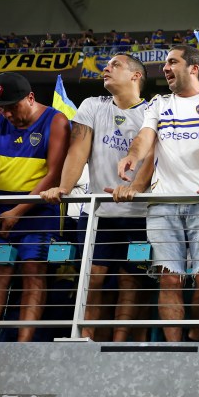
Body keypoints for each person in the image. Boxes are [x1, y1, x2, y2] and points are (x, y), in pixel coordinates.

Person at [110, 44, 199, 343]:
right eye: (165, 63)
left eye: (172, 62)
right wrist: (131, 157)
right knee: (169, 277)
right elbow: (145, 138)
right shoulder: (158, 103)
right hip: (162, 203)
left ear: (193, 68)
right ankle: (175, 348)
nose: (165, 67)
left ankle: (193, 334)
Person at [40, 53, 151, 342]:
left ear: (136, 75)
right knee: (94, 280)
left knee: (131, 282)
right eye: (107, 65)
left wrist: (135, 189)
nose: (106, 68)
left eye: (115, 65)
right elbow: (78, 150)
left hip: (139, 214)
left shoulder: (152, 111)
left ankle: (120, 346)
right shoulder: (91, 105)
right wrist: (64, 187)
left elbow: (153, 161)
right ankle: (84, 342)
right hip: (98, 213)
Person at [0, 72, 70, 342]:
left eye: (13, 106)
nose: (8, 114)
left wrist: (18, 211)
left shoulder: (56, 120)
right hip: (3, 207)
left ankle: (24, 346)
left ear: (31, 97)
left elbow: (54, 174)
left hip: (39, 210)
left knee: (33, 273)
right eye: (2, 108)